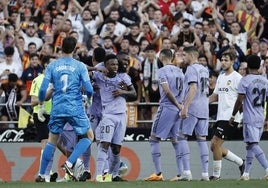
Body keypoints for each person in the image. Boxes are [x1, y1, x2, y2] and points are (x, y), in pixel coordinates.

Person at [35, 36, 94, 182]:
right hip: (75, 108)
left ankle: (42, 175)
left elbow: (43, 89)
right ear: (74, 48)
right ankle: (69, 163)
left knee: (52, 141)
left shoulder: (52, 66)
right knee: (89, 137)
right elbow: (89, 88)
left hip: (57, 108)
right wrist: (89, 98)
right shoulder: (80, 66)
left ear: (60, 47)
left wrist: (41, 105)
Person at [92, 54, 136, 182]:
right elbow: (84, 70)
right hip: (108, 116)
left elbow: (134, 94)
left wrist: (123, 92)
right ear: (106, 66)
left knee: (116, 148)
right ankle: (99, 175)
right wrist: (98, 69)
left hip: (122, 115)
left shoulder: (123, 77)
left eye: (116, 64)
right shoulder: (99, 77)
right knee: (104, 144)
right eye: (112, 64)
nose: (115, 66)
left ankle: (113, 175)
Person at [144, 49, 184, 181]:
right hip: (178, 108)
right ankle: (181, 173)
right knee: (175, 140)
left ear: (161, 57)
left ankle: (158, 173)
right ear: (172, 57)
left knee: (154, 138)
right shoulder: (180, 71)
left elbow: (166, 91)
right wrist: (180, 106)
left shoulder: (162, 71)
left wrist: (177, 105)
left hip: (167, 107)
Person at [230, 55, 268, 180]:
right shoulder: (265, 81)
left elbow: (239, 100)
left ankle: (267, 168)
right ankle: (246, 174)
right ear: (258, 66)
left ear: (248, 66)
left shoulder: (245, 80)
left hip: (250, 117)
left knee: (252, 144)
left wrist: (233, 115)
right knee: (250, 145)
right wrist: (266, 118)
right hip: (260, 116)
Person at [209, 50, 245, 180]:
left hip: (231, 117)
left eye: (226, 60)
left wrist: (237, 116)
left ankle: (216, 176)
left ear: (232, 61)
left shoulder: (237, 78)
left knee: (216, 144)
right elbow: (215, 96)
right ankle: (241, 163)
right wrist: (202, 103)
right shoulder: (221, 77)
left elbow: (242, 99)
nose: (223, 62)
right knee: (214, 146)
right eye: (222, 60)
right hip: (221, 116)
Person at [178, 46, 210, 181]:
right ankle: (205, 174)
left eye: (184, 55)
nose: (183, 57)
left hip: (193, 107)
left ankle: (186, 172)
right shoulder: (205, 69)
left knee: (181, 136)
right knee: (202, 139)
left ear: (191, 55)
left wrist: (185, 107)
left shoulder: (191, 69)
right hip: (204, 107)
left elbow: (193, 88)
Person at [30, 58, 58, 182]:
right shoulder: (38, 80)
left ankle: (49, 173)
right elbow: (32, 102)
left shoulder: (59, 79)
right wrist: (46, 95)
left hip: (56, 115)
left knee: (56, 145)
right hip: (41, 115)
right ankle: (47, 173)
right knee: (46, 144)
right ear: (45, 66)